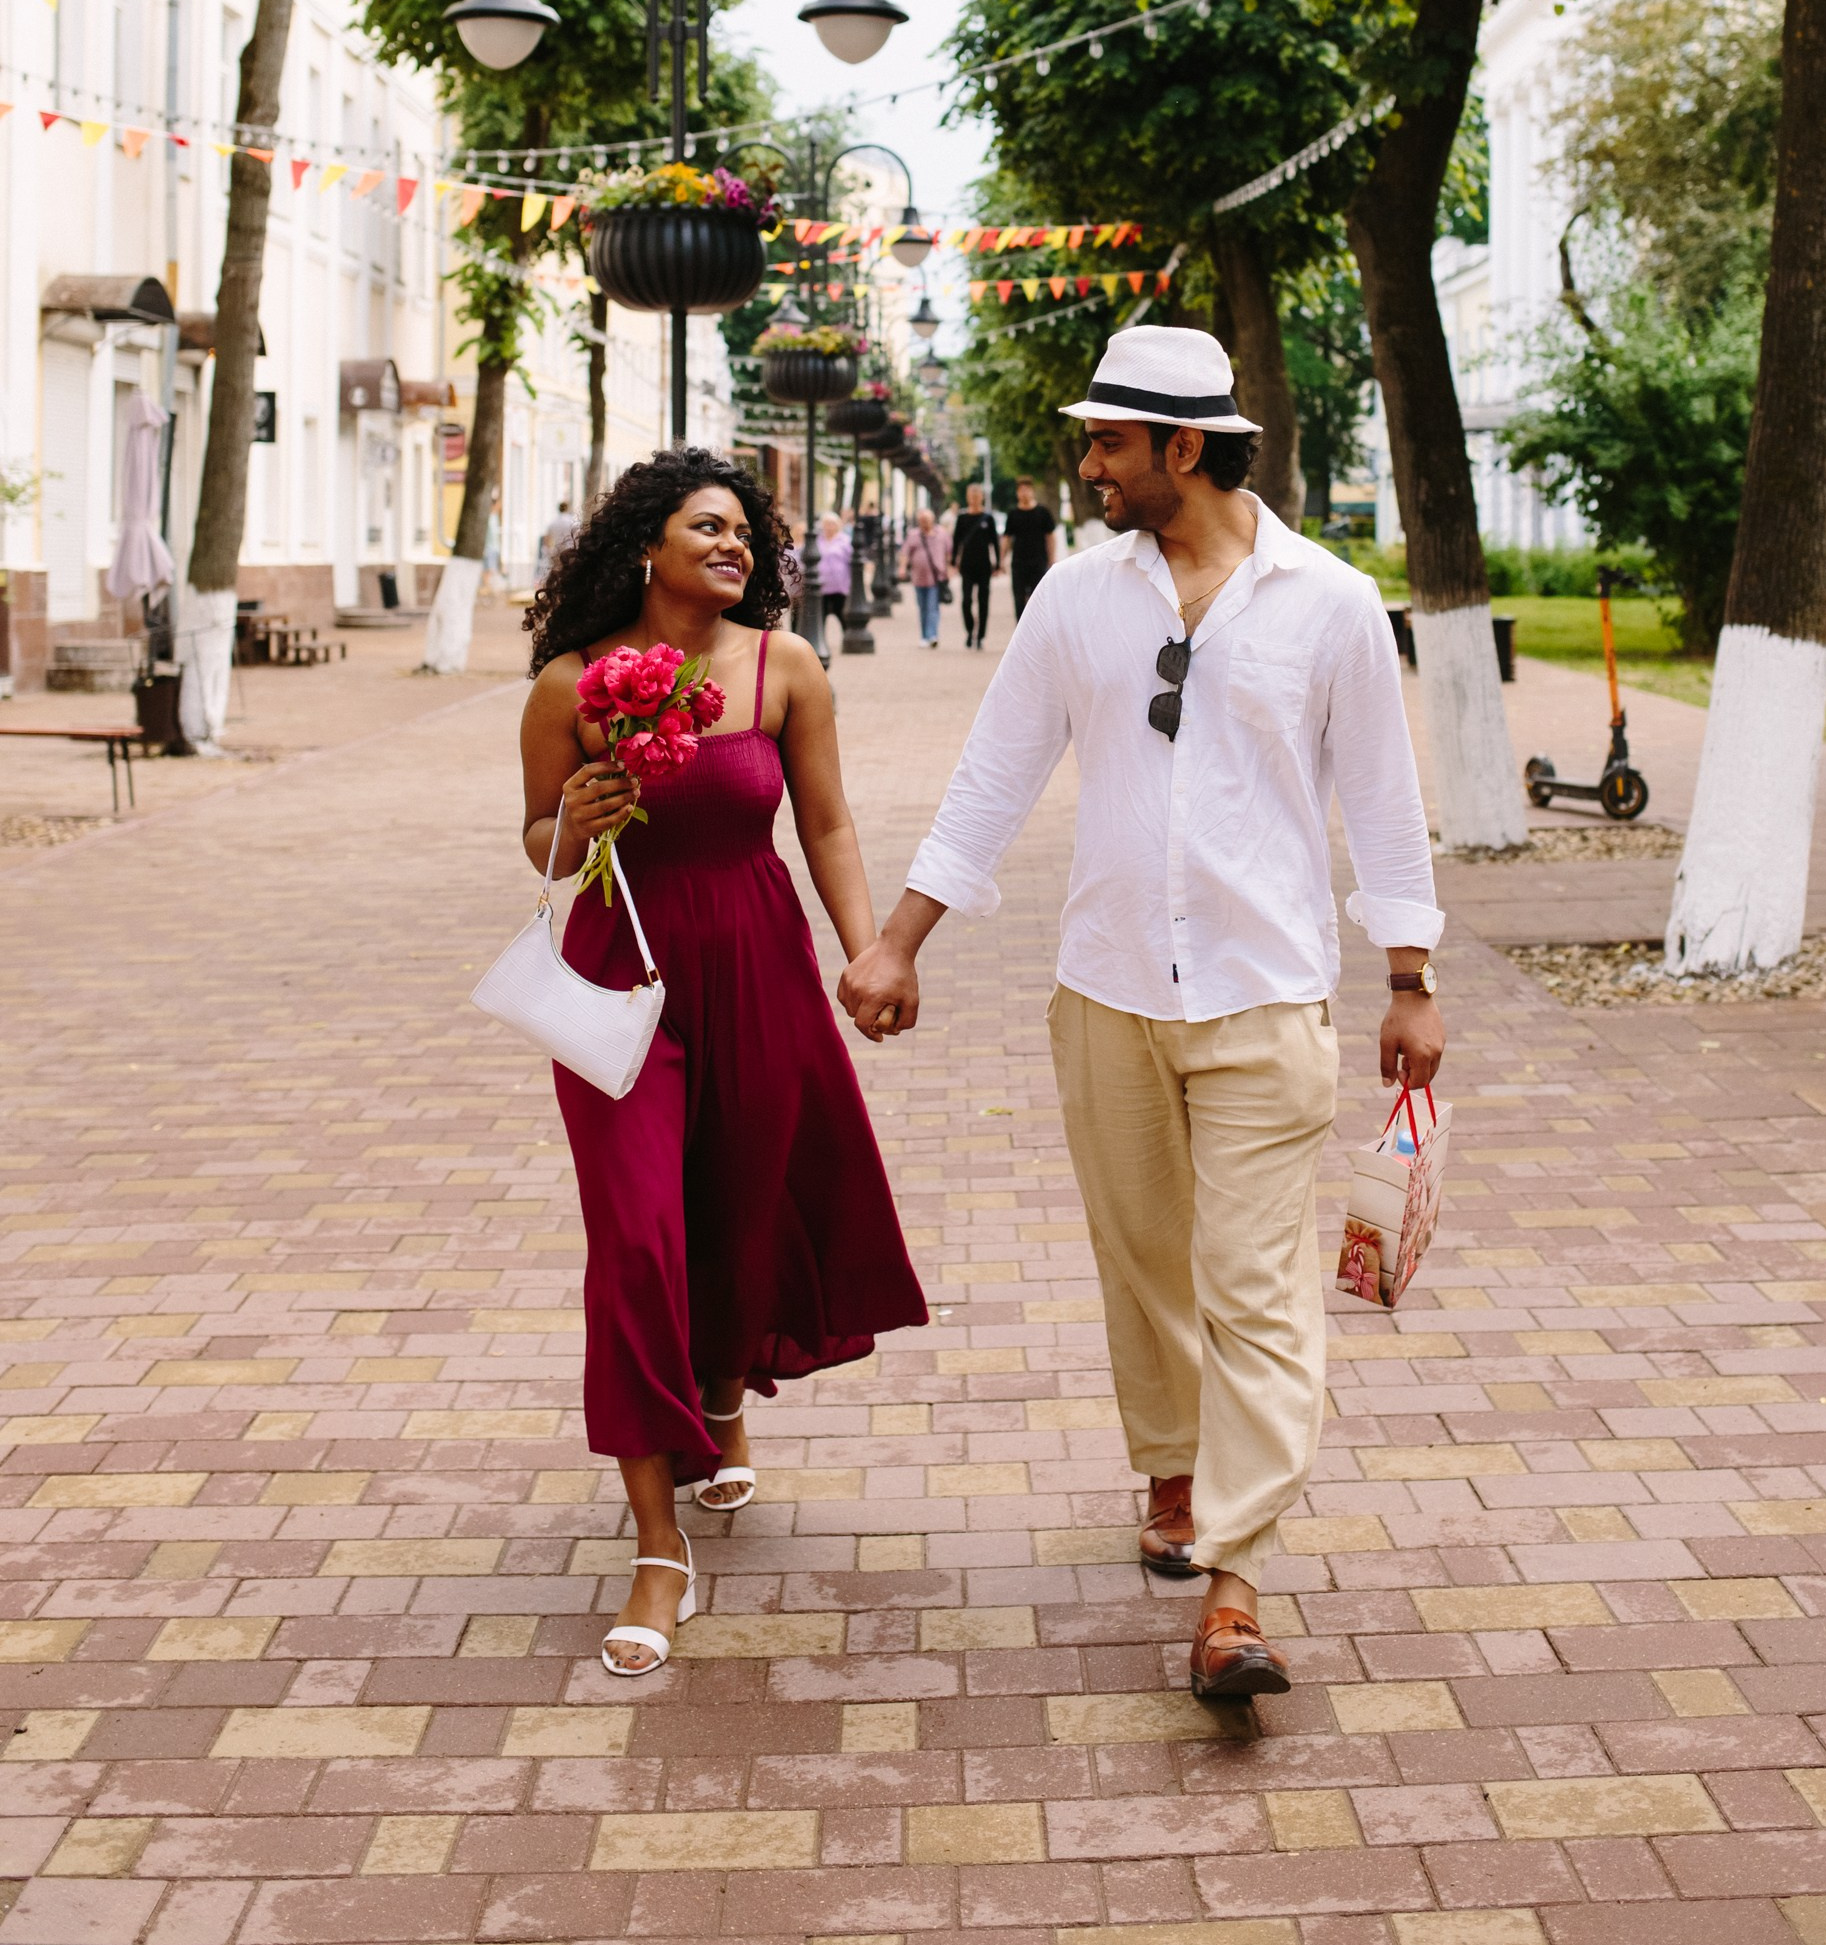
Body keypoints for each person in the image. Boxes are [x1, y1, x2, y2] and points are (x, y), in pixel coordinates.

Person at [838, 327, 1445, 1704]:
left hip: (1266, 995)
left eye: (1110, 442)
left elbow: (1386, 809)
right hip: (1106, 989)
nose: (1089, 462)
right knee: (1144, 1262)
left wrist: (1412, 981)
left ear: (1185, 448)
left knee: (1261, 1290)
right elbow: (996, 775)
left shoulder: (1333, 603)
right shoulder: (1074, 598)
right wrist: (897, 942)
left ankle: (1235, 1589)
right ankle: (1172, 1475)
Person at [520, 449, 926, 1678]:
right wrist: (573, 820)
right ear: (645, 542)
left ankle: (722, 1391)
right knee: (638, 1241)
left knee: (739, 1221)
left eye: (747, 533)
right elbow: (535, 835)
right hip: (619, 977)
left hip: (755, 959)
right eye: (709, 526)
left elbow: (828, 823)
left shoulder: (783, 666)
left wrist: (869, 956)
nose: (736, 546)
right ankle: (655, 1544)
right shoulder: (567, 684)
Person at [1003, 477, 1058, 623]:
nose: (1024, 493)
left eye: (1027, 490)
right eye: (1021, 490)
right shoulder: (1013, 514)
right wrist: (1002, 560)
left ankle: (1038, 631)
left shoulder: (1043, 512)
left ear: (1032, 492)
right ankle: (1021, 633)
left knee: (1038, 599)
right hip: (1018, 562)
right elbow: (1006, 538)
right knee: (1019, 599)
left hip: (1039, 561)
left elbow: (1050, 537)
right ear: (1017, 493)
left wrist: (1052, 558)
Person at [951, 484, 999, 649]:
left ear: (982, 497)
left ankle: (980, 636)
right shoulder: (962, 518)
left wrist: (998, 563)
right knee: (966, 601)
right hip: (967, 565)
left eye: (977, 495)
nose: (974, 497)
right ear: (967, 497)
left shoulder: (988, 518)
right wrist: (953, 561)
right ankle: (970, 630)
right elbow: (956, 541)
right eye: (971, 495)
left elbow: (995, 542)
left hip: (984, 565)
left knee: (983, 601)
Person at [902, 506, 952, 647]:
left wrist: (949, 569)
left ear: (932, 520)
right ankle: (924, 636)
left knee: (932, 607)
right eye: (922, 520)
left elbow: (949, 553)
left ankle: (932, 635)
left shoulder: (941, 534)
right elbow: (905, 553)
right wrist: (902, 568)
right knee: (923, 608)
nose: (924, 523)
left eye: (927, 520)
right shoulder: (913, 535)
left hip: (936, 578)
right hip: (918, 578)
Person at [817, 510, 852, 632]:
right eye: (826, 524)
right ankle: (820, 642)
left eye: (832, 524)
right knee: (821, 616)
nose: (829, 527)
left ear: (837, 525)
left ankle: (848, 637)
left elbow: (851, 561)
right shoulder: (818, 540)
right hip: (821, 585)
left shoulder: (844, 540)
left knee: (842, 613)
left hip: (840, 585)